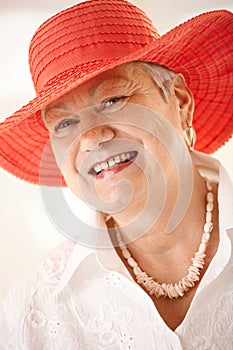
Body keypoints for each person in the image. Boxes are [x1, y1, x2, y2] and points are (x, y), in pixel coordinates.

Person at [0, 0, 232, 349]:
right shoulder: (30, 311)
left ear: (181, 102)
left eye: (113, 100)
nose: (91, 136)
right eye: (64, 123)